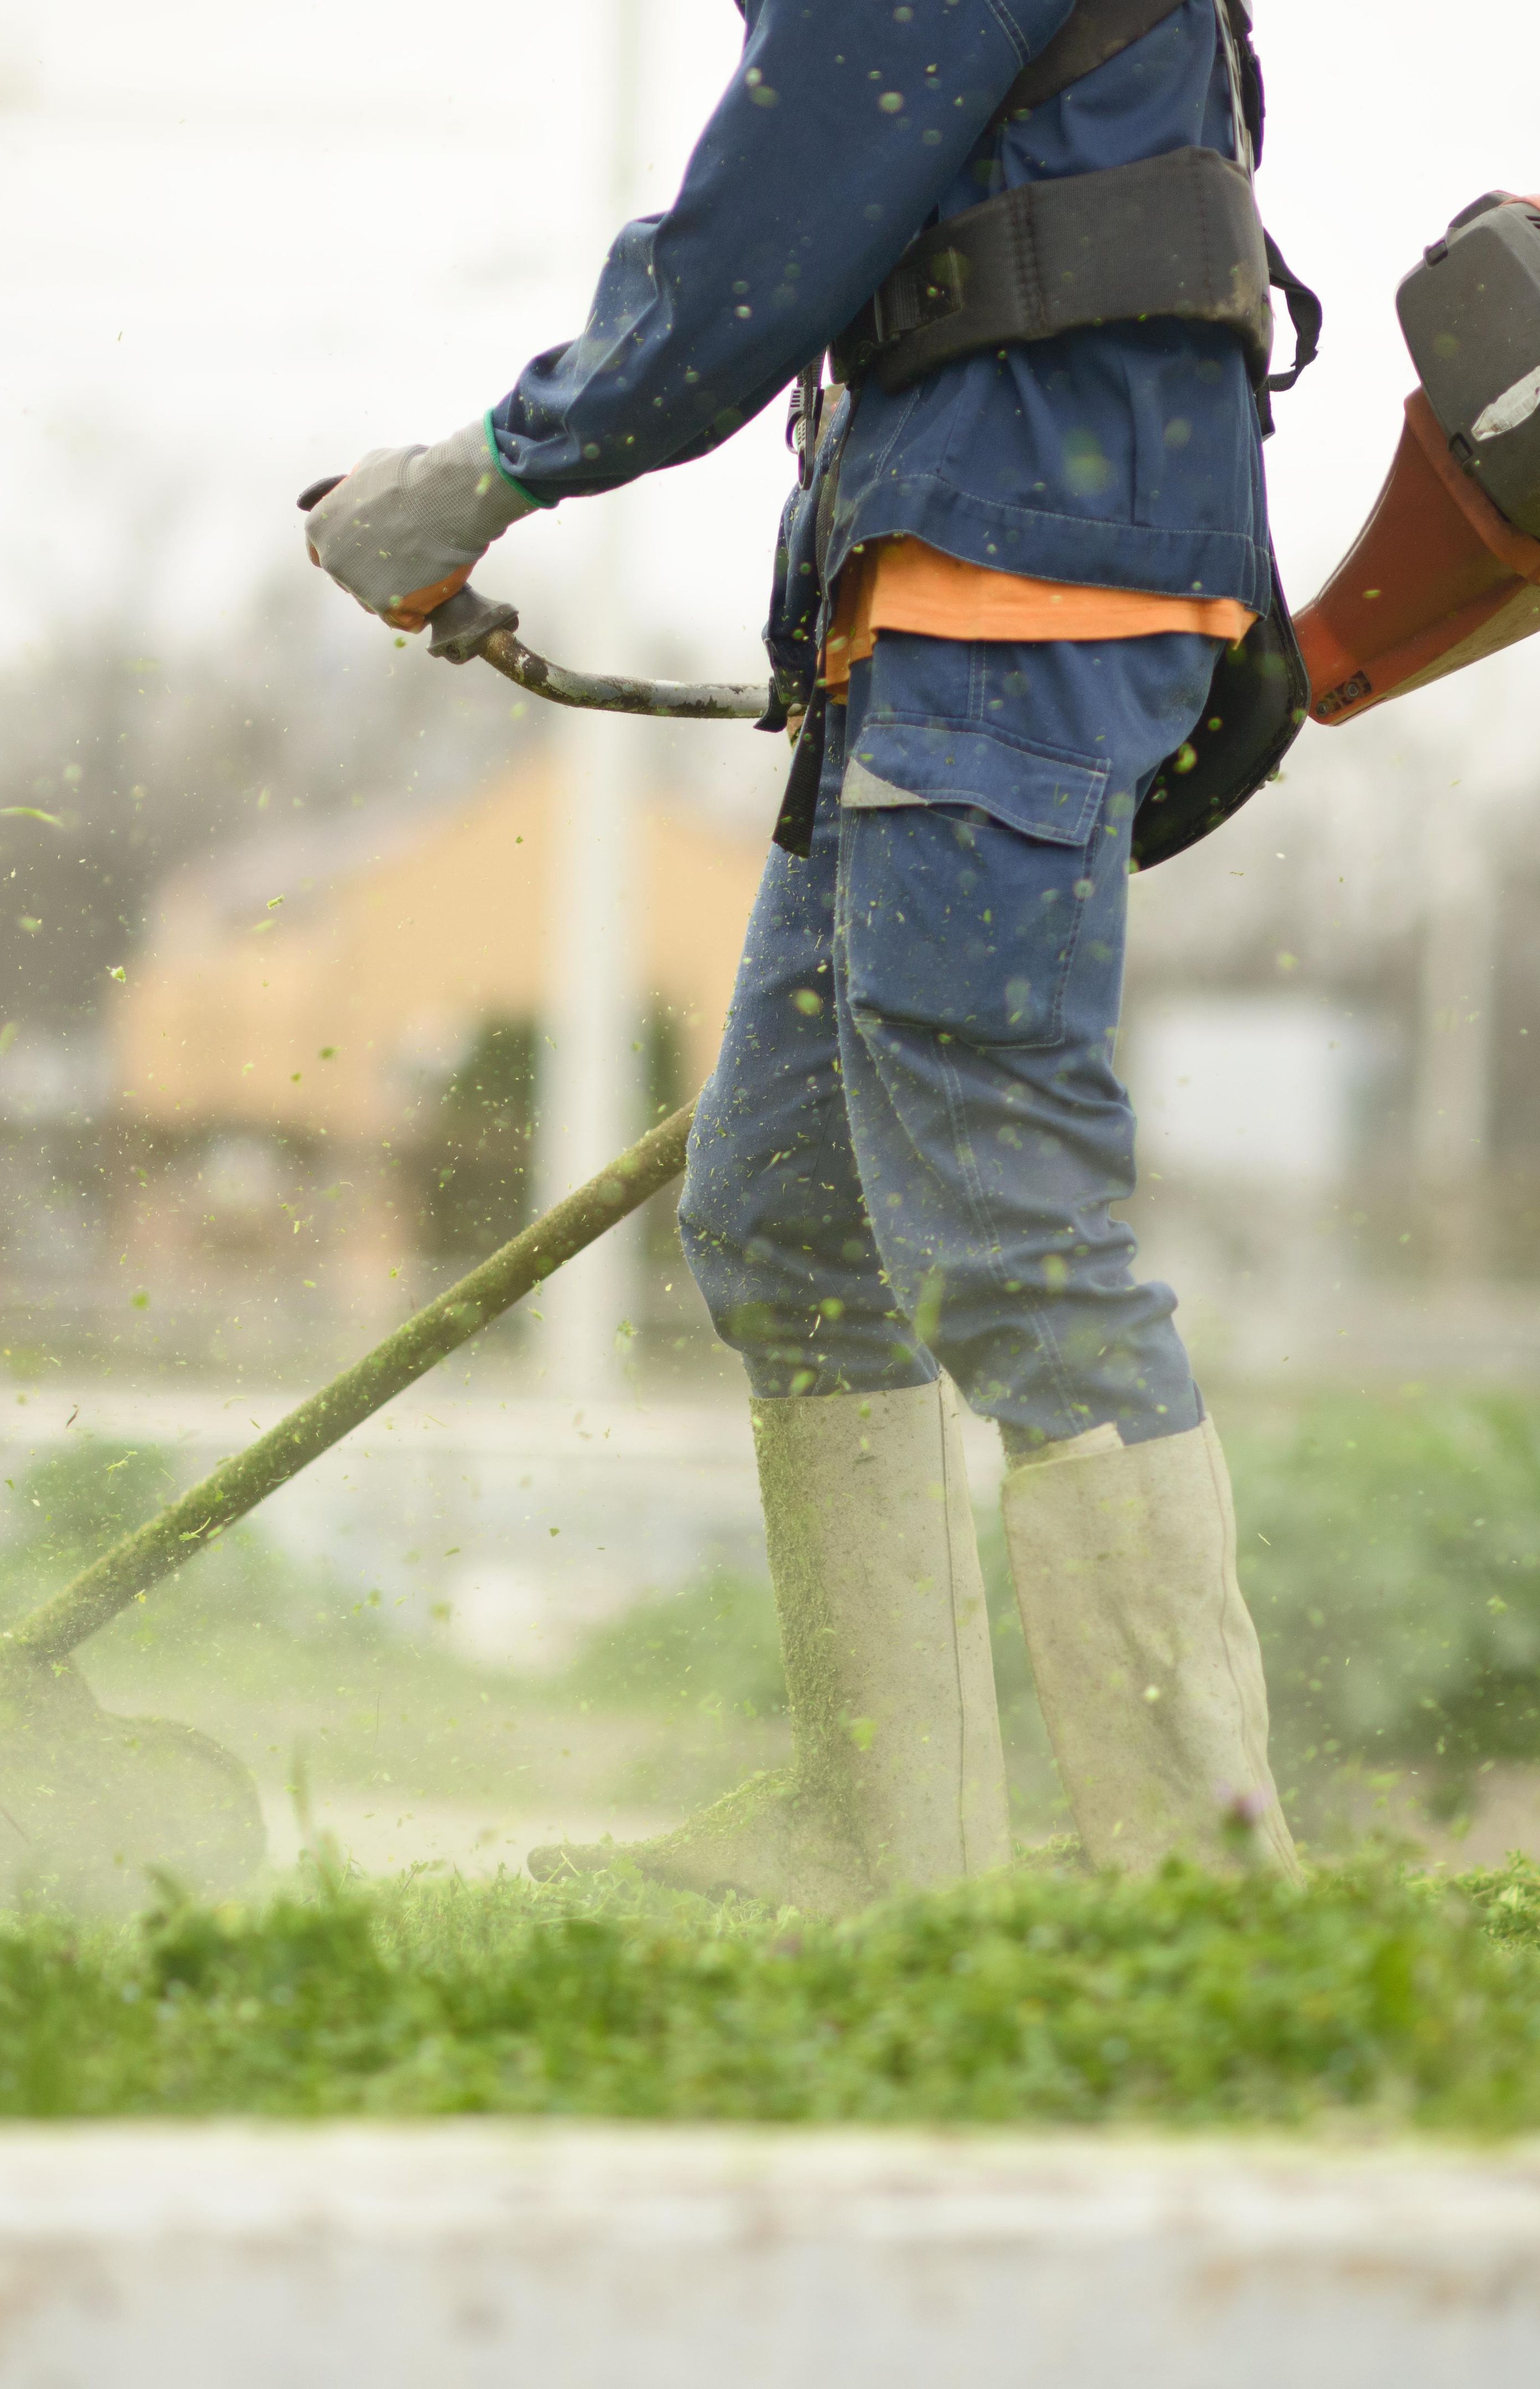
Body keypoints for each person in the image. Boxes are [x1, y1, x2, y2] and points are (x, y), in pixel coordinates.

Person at [304, 0, 1301, 1906]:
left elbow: (751, 253)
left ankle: (1208, 1895)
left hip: (1010, 613)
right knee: (785, 1213)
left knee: (1013, 1242)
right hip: (941, 616)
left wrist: (475, 475)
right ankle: (886, 1846)